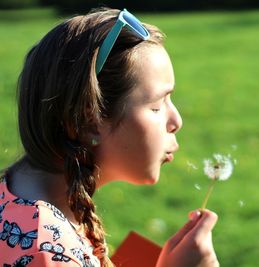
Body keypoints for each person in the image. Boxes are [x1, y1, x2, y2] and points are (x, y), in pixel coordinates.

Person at [0, 7, 219, 267]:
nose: (176, 121)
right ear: (90, 120)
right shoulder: (47, 254)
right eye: (157, 105)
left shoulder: (22, 202)